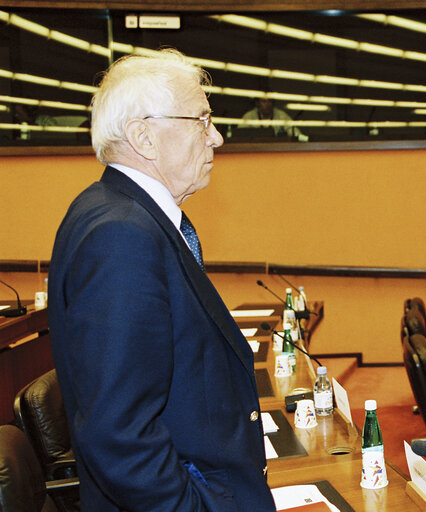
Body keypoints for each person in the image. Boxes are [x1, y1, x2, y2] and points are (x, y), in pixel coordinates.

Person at [47, 49, 276, 511]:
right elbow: (120, 434)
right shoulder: (121, 235)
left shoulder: (116, 210)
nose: (217, 136)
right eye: (202, 119)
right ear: (143, 136)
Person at [242, 96, 308, 141]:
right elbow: (239, 135)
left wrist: (301, 138)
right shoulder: (249, 116)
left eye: (270, 101)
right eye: (264, 101)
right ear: (257, 103)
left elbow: (292, 130)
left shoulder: (280, 115)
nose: (268, 104)